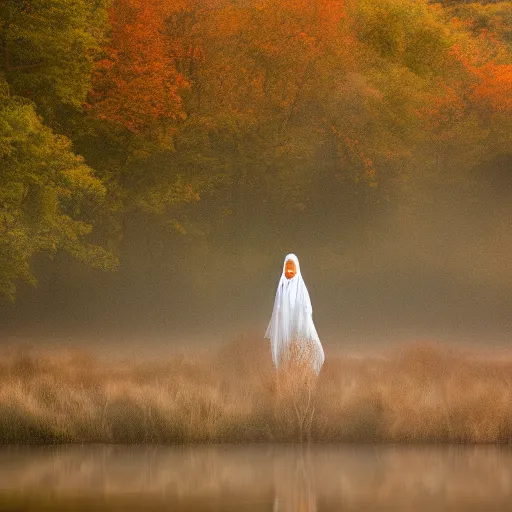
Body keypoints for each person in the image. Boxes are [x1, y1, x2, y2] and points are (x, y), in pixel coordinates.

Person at [265, 254, 325, 374]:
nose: (289, 270)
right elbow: (277, 310)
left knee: (306, 351)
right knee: (285, 355)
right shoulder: (281, 288)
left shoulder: (301, 288)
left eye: (292, 267)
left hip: (299, 326)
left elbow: (307, 307)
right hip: (284, 329)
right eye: (287, 267)